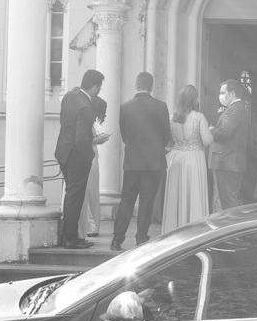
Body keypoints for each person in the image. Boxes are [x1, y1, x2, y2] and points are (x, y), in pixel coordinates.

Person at [111, 72, 171, 251]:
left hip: (132, 161)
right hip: (154, 161)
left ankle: (117, 239)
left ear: (135, 85)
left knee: (126, 200)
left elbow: (124, 134)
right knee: (147, 200)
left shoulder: (125, 107)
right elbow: (166, 135)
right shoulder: (161, 107)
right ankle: (141, 238)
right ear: (151, 87)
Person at [55, 69, 104, 249]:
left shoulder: (69, 96)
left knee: (70, 195)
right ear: (93, 87)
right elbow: (83, 138)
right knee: (76, 196)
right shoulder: (87, 106)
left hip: (63, 152)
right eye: (99, 87)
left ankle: (68, 234)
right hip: (77, 156)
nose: (99, 91)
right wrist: (89, 157)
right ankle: (71, 238)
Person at [161, 84, 214, 234]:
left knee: (175, 196)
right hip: (194, 158)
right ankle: (194, 231)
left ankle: (174, 229)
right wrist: (210, 130)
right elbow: (207, 140)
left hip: (176, 158)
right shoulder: (199, 117)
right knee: (194, 193)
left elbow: (168, 140)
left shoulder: (173, 117)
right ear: (194, 99)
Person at [209, 79, 250, 210]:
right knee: (230, 199)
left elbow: (223, 133)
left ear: (231, 93)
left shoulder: (234, 109)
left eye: (222, 92)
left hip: (228, 161)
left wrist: (211, 130)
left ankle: (232, 228)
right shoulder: (236, 108)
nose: (220, 95)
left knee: (228, 202)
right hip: (232, 162)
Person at [76, 95, 108, 240]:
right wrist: (98, 140)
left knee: (92, 191)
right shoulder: (86, 120)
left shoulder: (88, 121)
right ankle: (90, 225)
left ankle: (91, 224)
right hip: (90, 158)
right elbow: (84, 140)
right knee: (90, 192)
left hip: (93, 157)